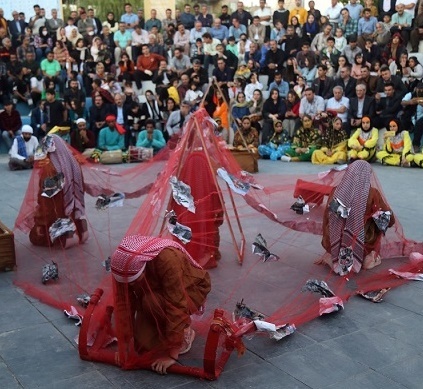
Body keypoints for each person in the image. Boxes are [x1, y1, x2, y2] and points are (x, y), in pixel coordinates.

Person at [111, 233, 211, 375]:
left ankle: (184, 331)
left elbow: (176, 304)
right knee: (144, 347)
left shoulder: (168, 259)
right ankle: (167, 331)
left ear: (143, 267)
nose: (131, 285)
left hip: (189, 288)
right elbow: (123, 303)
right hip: (154, 292)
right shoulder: (121, 263)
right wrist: (124, 345)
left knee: (151, 303)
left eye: (134, 280)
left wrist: (172, 354)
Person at [320, 160, 395, 274]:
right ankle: (365, 259)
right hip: (361, 243)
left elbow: (327, 216)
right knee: (379, 218)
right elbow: (389, 220)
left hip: (333, 241)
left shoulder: (337, 190)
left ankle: (332, 256)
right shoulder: (372, 193)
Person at [29, 134, 88, 247]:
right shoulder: (74, 165)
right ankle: (79, 225)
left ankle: (64, 234)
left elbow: (45, 200)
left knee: (34, 237)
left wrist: (39, 221)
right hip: (73, 210)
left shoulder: (50, 170)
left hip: (57, 213)